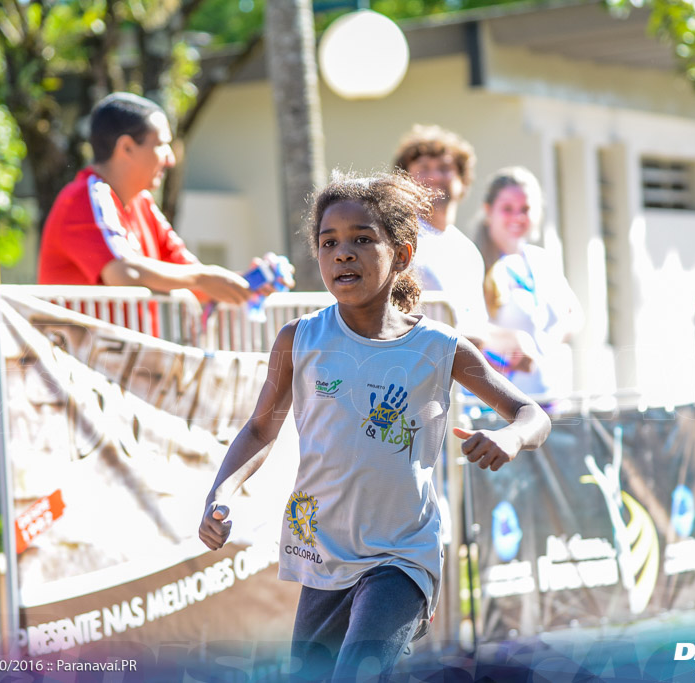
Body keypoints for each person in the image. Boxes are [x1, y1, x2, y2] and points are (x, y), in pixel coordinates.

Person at [198, 171, 551, 679]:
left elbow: (530, 413)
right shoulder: (298, 340)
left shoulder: (439, 348)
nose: (343, 253)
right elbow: (260, 430)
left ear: (403, 254)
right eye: (329, 242)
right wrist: (222, 491)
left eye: (363, 239)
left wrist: (510, 436)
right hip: (322, 554)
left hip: (402, 556)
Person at [37, 92, 270, 304]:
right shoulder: (85, 197)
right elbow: (124, 272)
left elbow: (190, 276)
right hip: (74, 352)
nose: (171, 159)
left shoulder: (142, 202)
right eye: (161, 145)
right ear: (126, 148)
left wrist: (249, 283)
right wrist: (203, 277)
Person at [393, 125, 537, 373]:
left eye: (445, 168)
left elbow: (474, 328)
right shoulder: (397, 240)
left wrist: (513, 344)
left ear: (463, 181)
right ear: (405, 180)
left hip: (465, 397)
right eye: (423, 168)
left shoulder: (467, 250)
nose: (435, 176)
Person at [475, 167, 583, 400]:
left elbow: (575, 315)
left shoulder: (541, 260)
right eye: (507, 209)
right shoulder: (475, 263)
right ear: (488, 211)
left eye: (525, 209)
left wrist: (548, 341)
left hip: (551, 399)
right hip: (499, 408)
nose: (517, 217)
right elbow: (465, 333)